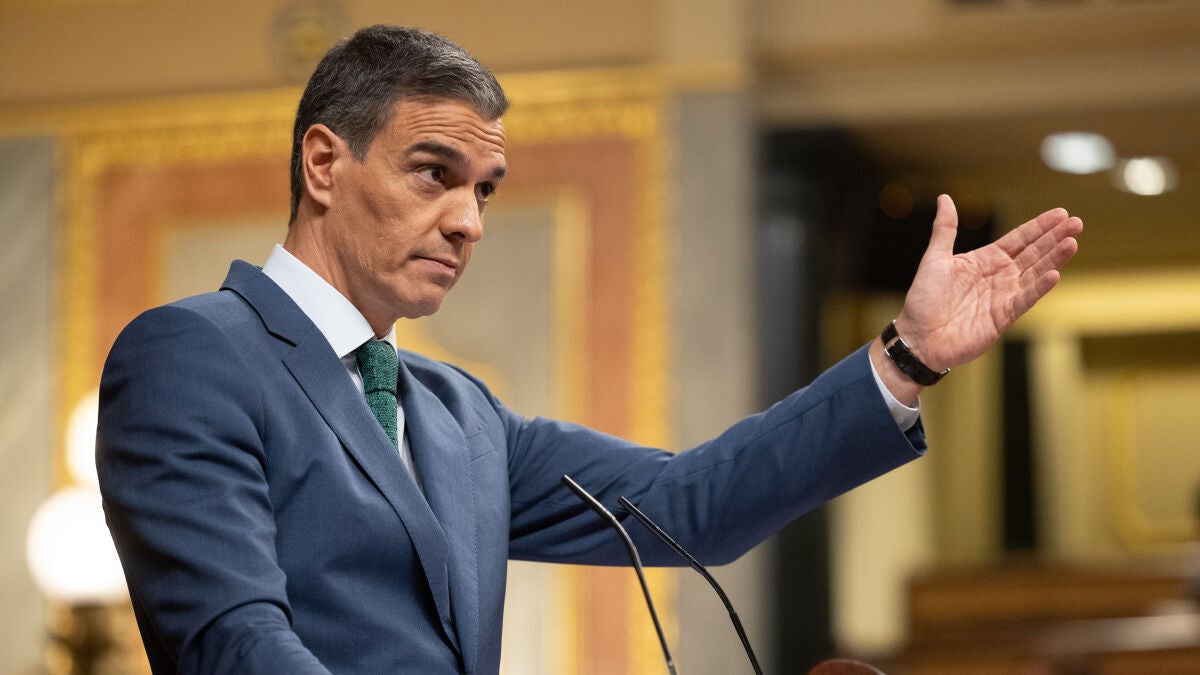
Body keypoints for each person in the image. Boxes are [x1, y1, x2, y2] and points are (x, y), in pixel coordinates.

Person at [96, 24, 1082, 675]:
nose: (468, 220)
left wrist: (907, 358)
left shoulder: (462, 414)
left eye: (484, 189)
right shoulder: (193, 354)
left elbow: (692, 506)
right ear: (324, 163)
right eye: (434, 172)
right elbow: (236, 643)